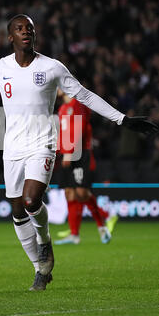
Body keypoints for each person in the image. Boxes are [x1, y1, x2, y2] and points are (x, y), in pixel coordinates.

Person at [0, 14, 158, 291]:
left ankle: (44, 240)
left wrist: (122, 119)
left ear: (35, 35)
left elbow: (84, 95)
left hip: (43, 143)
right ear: (9, 37)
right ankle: (40, 269)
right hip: (12, 148)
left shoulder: (52, 67)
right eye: (19, 28)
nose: (25, 31)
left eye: (30, 28)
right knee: (17, 211)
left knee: (30, 201)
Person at [54, 91, 118, 246]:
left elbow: (80, 128)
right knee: (69, 193)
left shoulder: (78, 104)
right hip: (67, 154)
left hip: (80, 154)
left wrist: (69, 152)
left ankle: (105, 219)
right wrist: (57, 151)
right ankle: (74, 235)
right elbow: (62, 134)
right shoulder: (63, 109)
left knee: (82, 192)